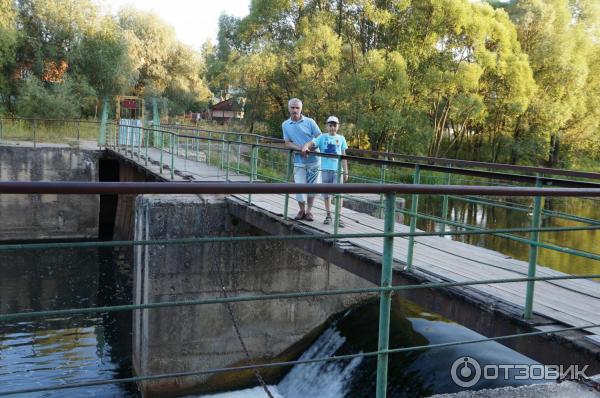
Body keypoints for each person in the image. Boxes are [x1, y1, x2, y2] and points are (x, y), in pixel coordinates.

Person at [302, 116, 348, 227]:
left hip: (337, 170)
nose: (332, 128)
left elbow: (344, 155)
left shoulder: (341, 138)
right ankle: (328, 215)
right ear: (327, 126)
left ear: (338, 126)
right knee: (326, 194)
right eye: (330, 125)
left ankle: (338, 217)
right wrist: (306, 146)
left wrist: (346, 170)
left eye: (335, 125)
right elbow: (312, 143)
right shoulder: (322, 137)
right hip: (325, 169)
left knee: (339, 195)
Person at [282, 98, 321, 221]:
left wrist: (308, 145)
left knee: (312, 187)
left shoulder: (310, 122)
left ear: (301, 109)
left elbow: (320, 138)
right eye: (293, 107)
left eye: (297, 108)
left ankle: (309, 211)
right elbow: (287, 143)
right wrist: (301, 148)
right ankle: (301, 210)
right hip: (299, 159)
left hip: (314, 158)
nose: (295, 110)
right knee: (299, 186)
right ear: (289, 108)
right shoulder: (285, 124)